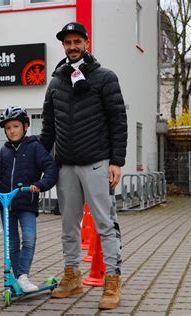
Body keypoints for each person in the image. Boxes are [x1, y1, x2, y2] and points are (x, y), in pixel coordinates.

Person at [40, 22, 128, 310]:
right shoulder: (55, 82)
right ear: (63, 47)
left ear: (86, 43)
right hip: (65, 165)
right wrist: (37, 159)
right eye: (68, 43)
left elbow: (118, 121)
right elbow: (48, 128)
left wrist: (117, 161)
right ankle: (72, 275)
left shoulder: (105, 78)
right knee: (68, 226)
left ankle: (112, 279)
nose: (73, 46)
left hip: (97, 162)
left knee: (105, 223)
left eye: (77, 41)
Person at [0, 106, 58, 293]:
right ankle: (17, 278)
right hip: (7, 205)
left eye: (15, 126)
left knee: (29, 239)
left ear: (25, 126)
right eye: (8, 128)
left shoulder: (34, 147)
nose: (12, 131)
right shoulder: (5, 151)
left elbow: (51, 168)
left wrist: (40, 184)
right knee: (11, 243)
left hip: (26, 203)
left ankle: (23, 276)